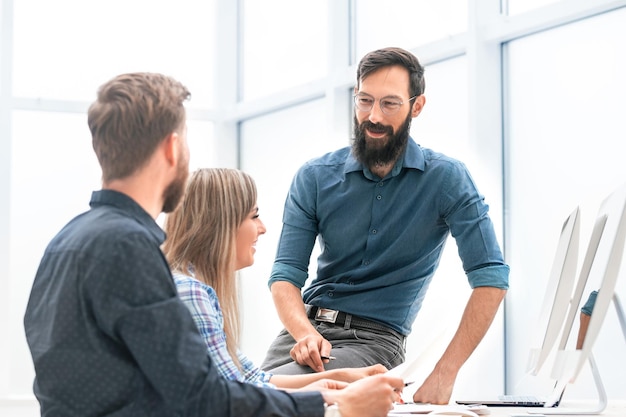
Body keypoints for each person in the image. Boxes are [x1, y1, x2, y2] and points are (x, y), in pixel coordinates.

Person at [23, 72, 403, 417]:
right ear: (173, 149)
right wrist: (335, 407)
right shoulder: (129, 248)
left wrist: (328, 391)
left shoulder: (68, 241)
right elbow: (204, 398)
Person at [260, 46, 510, 405]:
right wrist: (304, 333)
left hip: (374, 342)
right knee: (239, 399)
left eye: (389, 104)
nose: (372, 116)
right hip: (302, 336)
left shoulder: (447, 179)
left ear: (416, 106)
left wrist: (445, 372)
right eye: (364, 101)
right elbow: (285, 274)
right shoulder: (314, 177)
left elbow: (491, 278)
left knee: (278, 402)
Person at [162, 167, 388, 391]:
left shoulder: (191, 289)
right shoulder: (191, 294)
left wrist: (341, 376)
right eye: (254, 216)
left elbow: (250, 379)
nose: (263, 228)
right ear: (220, 223)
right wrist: (332, 399)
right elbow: (232, 396)